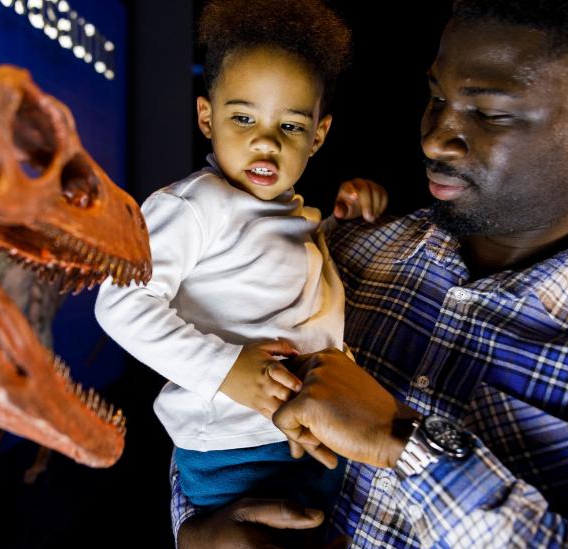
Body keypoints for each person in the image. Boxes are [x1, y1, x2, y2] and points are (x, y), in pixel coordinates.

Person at [174, 0, 568, 547]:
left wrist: (406, 441)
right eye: (437, 96)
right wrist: (196, 530)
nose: (435, 138)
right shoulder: (345, 248)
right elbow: (216, 407)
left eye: (490, 112)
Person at [94, 0, 387, 530]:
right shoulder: (191, 206)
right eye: (244, 117)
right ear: (206, 116)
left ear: (318, 135)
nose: (266, 141)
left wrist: (343, 225)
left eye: (291, 126)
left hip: (310, 437)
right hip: (234, 451)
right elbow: (119, 303)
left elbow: (289, 290)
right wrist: (223, 369)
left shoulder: (293, 213)